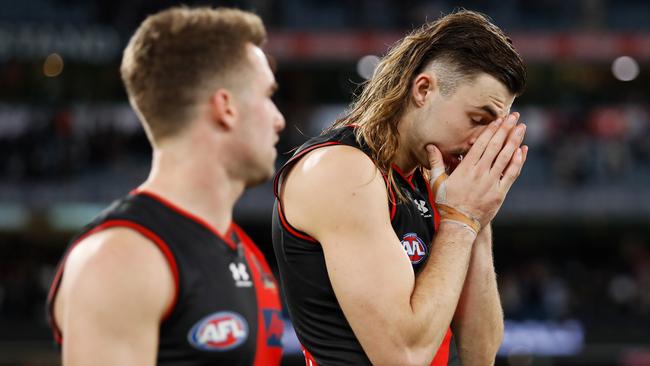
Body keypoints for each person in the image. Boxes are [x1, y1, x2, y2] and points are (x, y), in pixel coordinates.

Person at [272, 10, 527, 366]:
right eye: (478, 120)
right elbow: (403, 356)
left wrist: (478, 220)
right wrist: (460, 221)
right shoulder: (341, 170)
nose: (481, 142)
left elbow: (480, 355)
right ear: (423, 90)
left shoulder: (435, 184)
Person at [46, 7, 286, 365]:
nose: (279, 118)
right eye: (267, 95)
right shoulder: (121, 259)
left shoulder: (244, 252)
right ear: (226, 107)